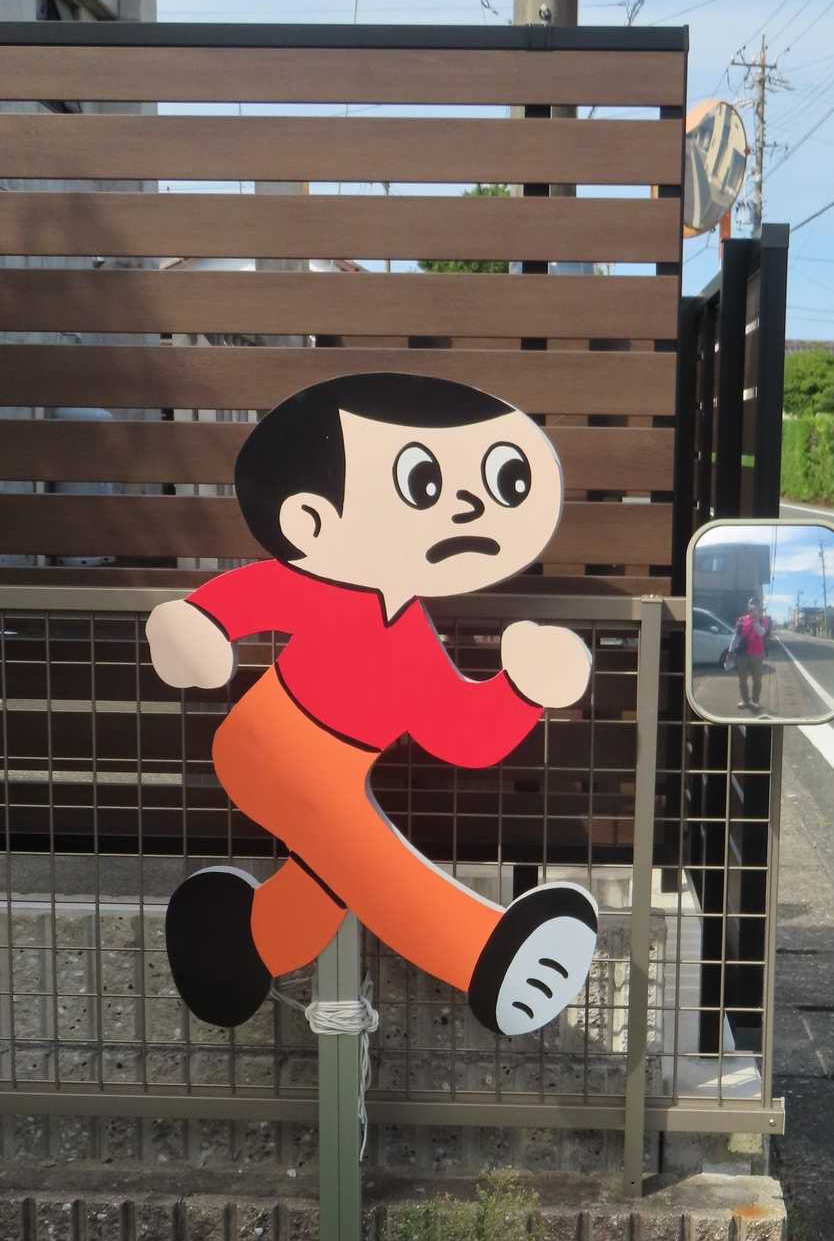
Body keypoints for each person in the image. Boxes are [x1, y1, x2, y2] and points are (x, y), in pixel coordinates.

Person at [145, 373, 597, 1039]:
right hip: (268, 749)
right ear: (310, 520)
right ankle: (481, 956)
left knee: (332, 873)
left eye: (505, 481)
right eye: (423, 484)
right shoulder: (318, 586)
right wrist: (196, 633)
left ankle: (235, 944)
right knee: (364, 854)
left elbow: (461, 733)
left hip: (333, 771)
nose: (467, 507)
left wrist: (522, 689)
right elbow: (231, 605)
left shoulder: (411, 636)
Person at [734, 595, 771, 712]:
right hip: (742, 654)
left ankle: (755, 701)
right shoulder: (741, 619)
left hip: (757, 654)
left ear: (759, 608)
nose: (753, 608)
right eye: (751, 606)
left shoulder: (763, 620)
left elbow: (761, 633)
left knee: (757, 679)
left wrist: (755, 621)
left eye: (756, 606)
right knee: (742, 679)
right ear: (748, 607)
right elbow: (736, 636)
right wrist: (730, 650)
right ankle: (745, 700)